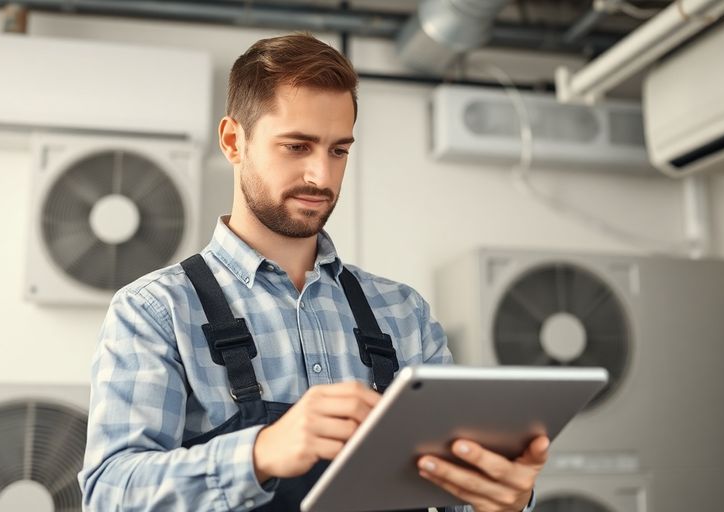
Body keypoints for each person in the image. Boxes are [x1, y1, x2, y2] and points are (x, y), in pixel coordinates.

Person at [78, 33, 547, 511]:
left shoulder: (404, 314)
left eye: (339, 150)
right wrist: (260, 454)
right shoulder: (156, 310)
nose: (322, 177)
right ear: (233, 141)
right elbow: (111, 494)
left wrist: (504, 498)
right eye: (297, 147)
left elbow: (452, 497)